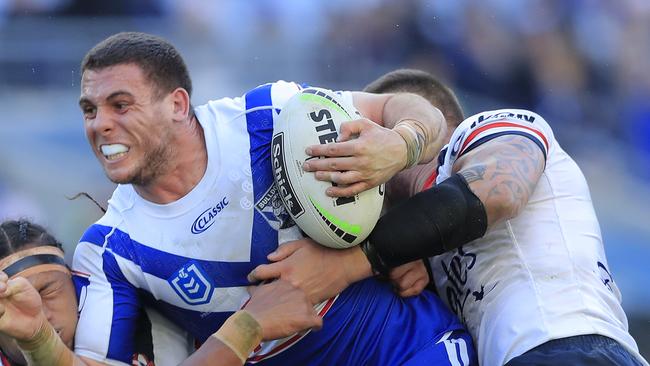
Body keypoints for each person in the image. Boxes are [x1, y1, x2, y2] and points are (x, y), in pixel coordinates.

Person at [13, 32, 476, 365]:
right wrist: (37, 339)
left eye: (120, 105)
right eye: (90, 111)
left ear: (177, 105)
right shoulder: (110, 248)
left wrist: (404, 142)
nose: (99, 125)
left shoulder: (267, 115)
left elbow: (412, 107)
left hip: (410, 349)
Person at [248, 69, 649, 365]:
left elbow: (498, 193)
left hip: (572, 346)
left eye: (368, 131)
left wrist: (353, 262)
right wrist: (407, 262)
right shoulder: (423, 246)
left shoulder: (492, 126)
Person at [0, 219, 323, 366]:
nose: (38, 309)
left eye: (48, 290)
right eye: (11, 302)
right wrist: (248, 326)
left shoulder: (133, 297)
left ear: (76, 281)